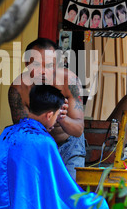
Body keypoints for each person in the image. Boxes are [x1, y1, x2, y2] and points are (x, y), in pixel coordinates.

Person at [8, 38, 86, 180]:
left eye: (49, 65)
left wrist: (62, 117)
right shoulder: (18, 89)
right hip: (36, 147)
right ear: (27, 64)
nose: (43, 72)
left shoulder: (70, 82)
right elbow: (24, 131)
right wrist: (47, 117)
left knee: (69, 196)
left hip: (69, 144)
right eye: (37, 65)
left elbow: (78, 129)